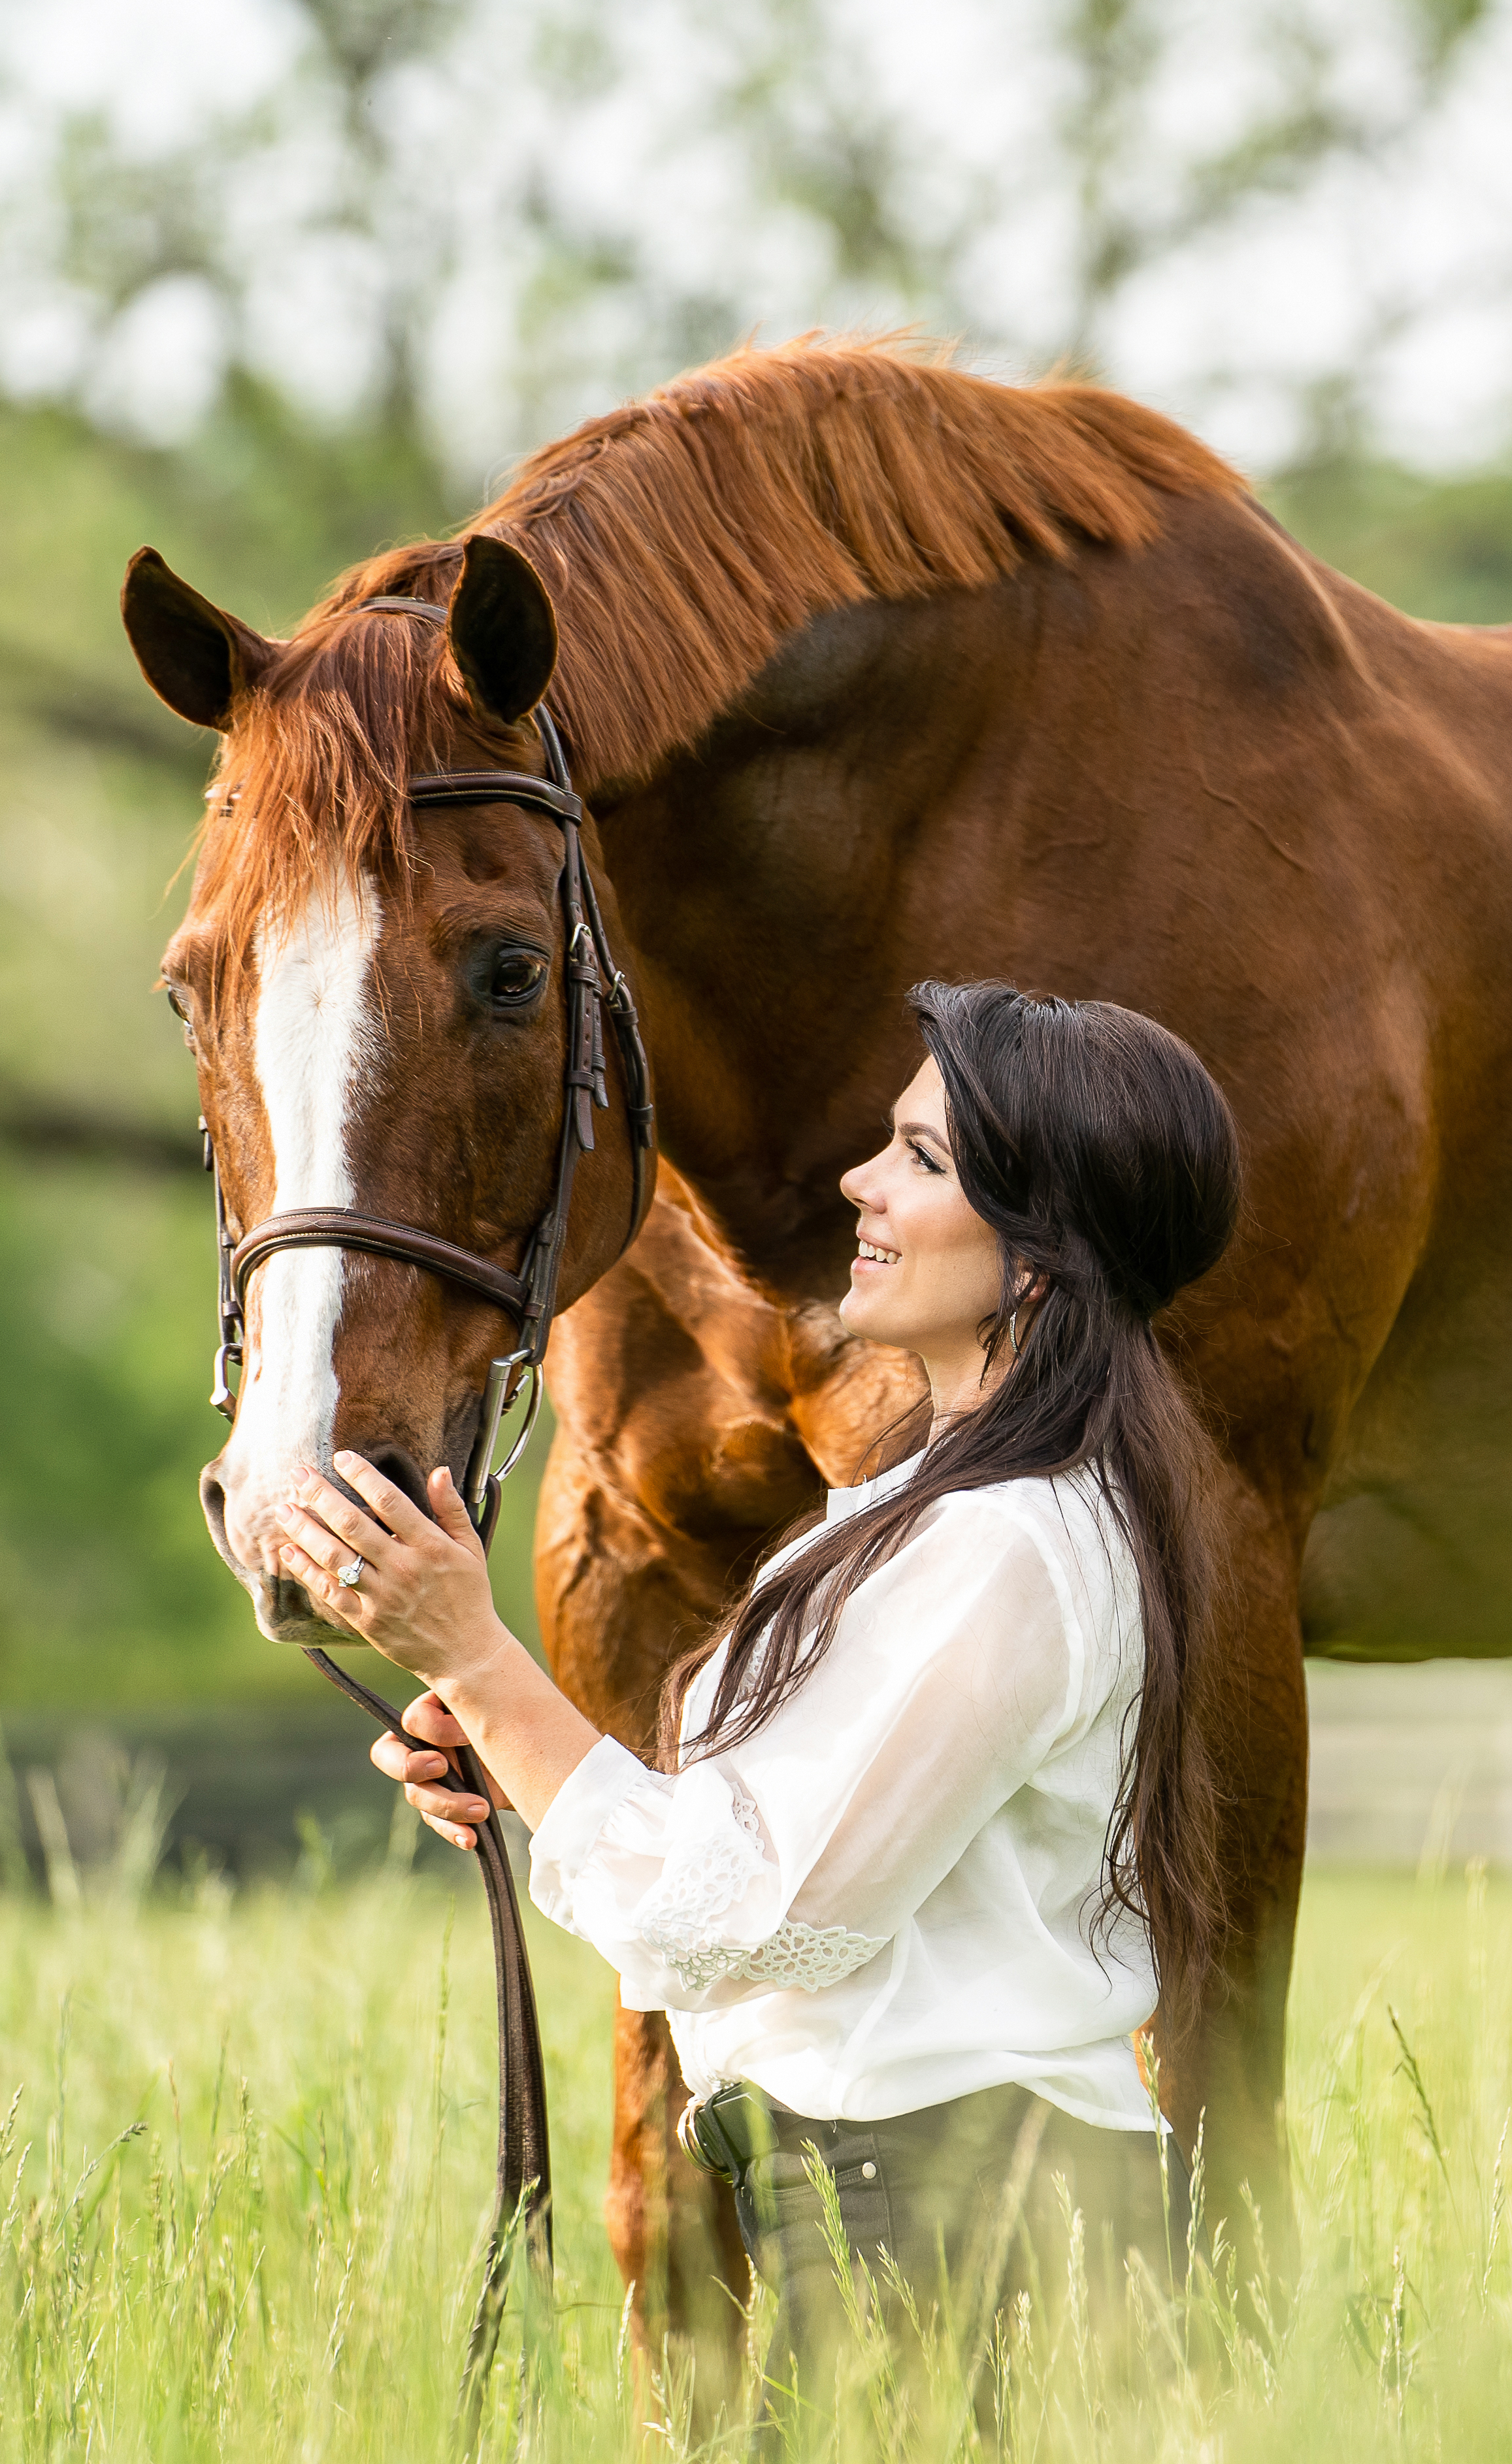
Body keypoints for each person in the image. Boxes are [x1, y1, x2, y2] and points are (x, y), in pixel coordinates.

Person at [271, 979, 1243, 2380]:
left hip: (959, 2247)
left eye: (922, 1158)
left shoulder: (1005, 1544)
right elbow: (784, 1839)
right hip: (927, 2227)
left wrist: (478, 1655)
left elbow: (761, 1919)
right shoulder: (936, 1508)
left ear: (1036, 1259)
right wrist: (505, 1728)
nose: (860, 1181)